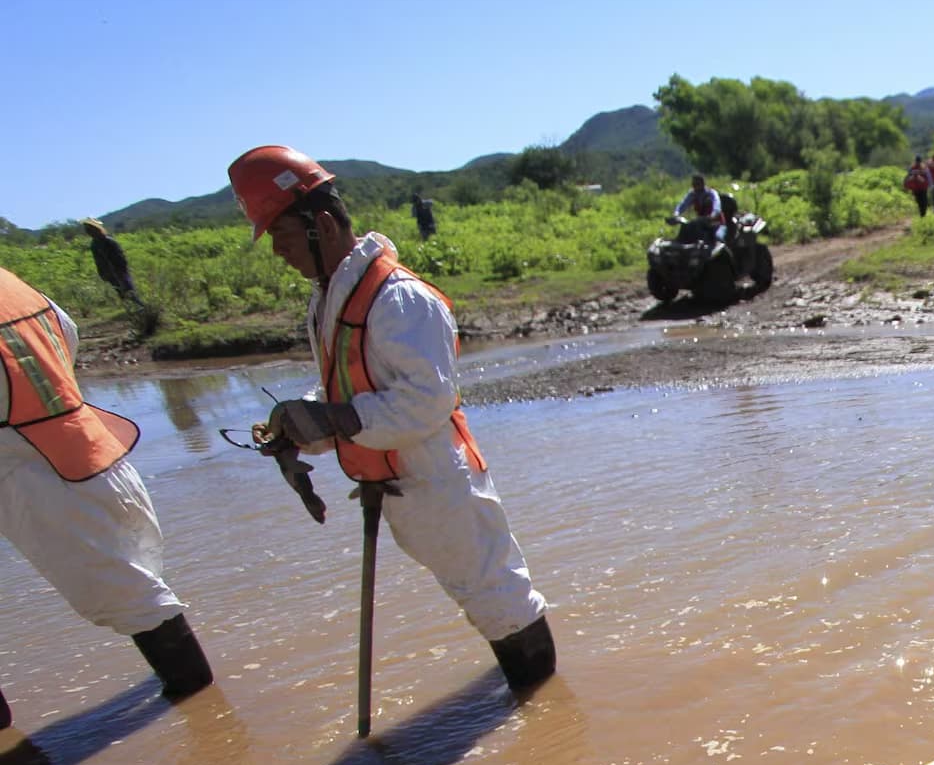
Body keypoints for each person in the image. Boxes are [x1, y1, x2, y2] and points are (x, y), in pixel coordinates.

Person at [225, 145, 555, 692]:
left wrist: (329, 418)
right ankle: (535, 707)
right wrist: (301, 423)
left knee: (499, 599)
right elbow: (352, 384)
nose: (280, 254)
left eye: (282, 239)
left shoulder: (399, 299)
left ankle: (546, 719)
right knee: (481, 598)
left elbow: (426, 402)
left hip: (437, 477)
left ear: (322, 225)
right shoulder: (331, 296)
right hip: (401, 481)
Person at [0, 266, 214, 708]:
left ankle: (201, 708)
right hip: (86, 441)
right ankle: (203, 711)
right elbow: (67, 334)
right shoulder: (10, 285)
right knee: (135, 584)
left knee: (129, 593)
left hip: (33, 465)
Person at [81, 218, 146, 312]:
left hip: (119, 271)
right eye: (86, 229)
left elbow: (120, 257)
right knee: (120, 292)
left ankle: (141, 308)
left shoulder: (108, 241)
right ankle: (132, 310)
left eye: (89, 228)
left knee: (128, 290)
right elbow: (98, 260)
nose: (87, 231)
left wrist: (120, 270)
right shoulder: (94, 244)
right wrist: (102, 272)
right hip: (109, 273)